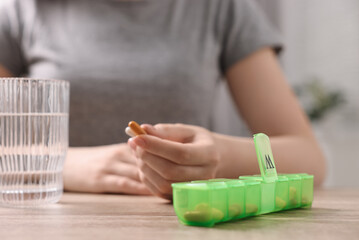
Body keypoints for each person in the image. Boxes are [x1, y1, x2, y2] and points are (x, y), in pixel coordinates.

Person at [0, 0, 326, 199]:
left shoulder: (221, 7)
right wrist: (63, 165)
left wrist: (220, 156)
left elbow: (307, 156)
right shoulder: (18, 10)